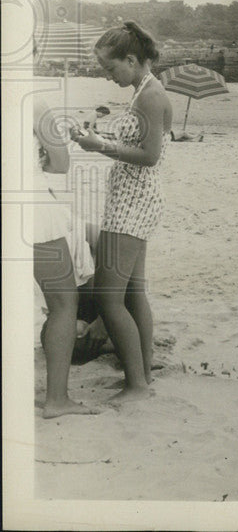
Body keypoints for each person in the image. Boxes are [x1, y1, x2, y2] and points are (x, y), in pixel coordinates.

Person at [71, 21, 172, 403]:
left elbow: (149, 155)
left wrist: (101, 147)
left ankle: (136, 386)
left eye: (110, 68)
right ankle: (141, 373)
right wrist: (96, 139)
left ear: (131, 59)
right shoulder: (144, 90)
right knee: (133, 293)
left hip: (132, 201)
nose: (108, 76)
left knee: (110, 298)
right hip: (136, 198)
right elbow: (139, 143)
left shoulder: (149, 96)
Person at [32, 97, 100, 418]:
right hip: (28, 206)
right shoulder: (32, 102)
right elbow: (60, 164)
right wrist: (39, 159)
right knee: (62, 302)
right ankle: (57, 399)